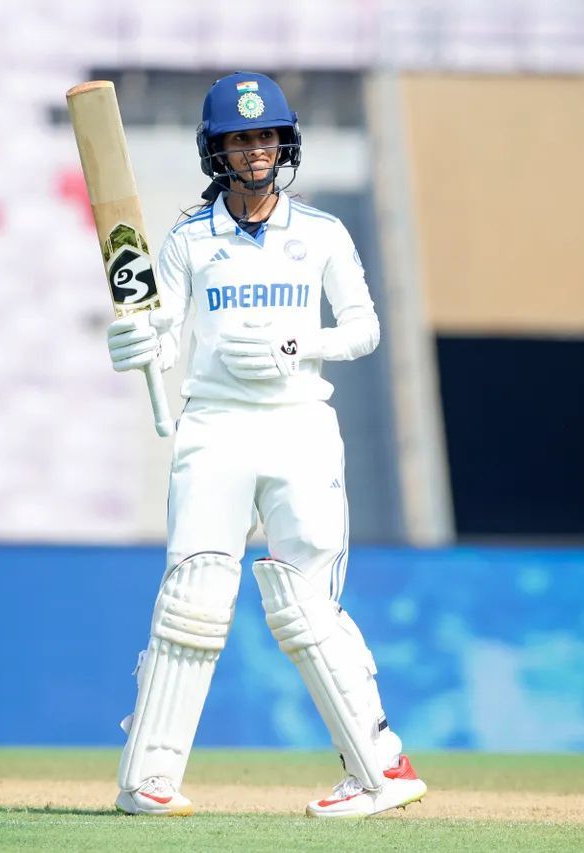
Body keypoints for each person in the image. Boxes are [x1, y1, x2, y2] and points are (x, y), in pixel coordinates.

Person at [104, 71, 428, 818]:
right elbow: (162, 324)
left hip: (298, 423)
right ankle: (147, 776)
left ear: (285, 143)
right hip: (214, 423)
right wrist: (135, 339)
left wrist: (296, 340)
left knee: (305, 599)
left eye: (267, 136)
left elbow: (365, 329)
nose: (256, 150)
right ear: (215, 150)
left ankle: (381, 766)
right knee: (194, 592)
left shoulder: (322, 233)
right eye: (241, 138)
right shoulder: (188, 239)